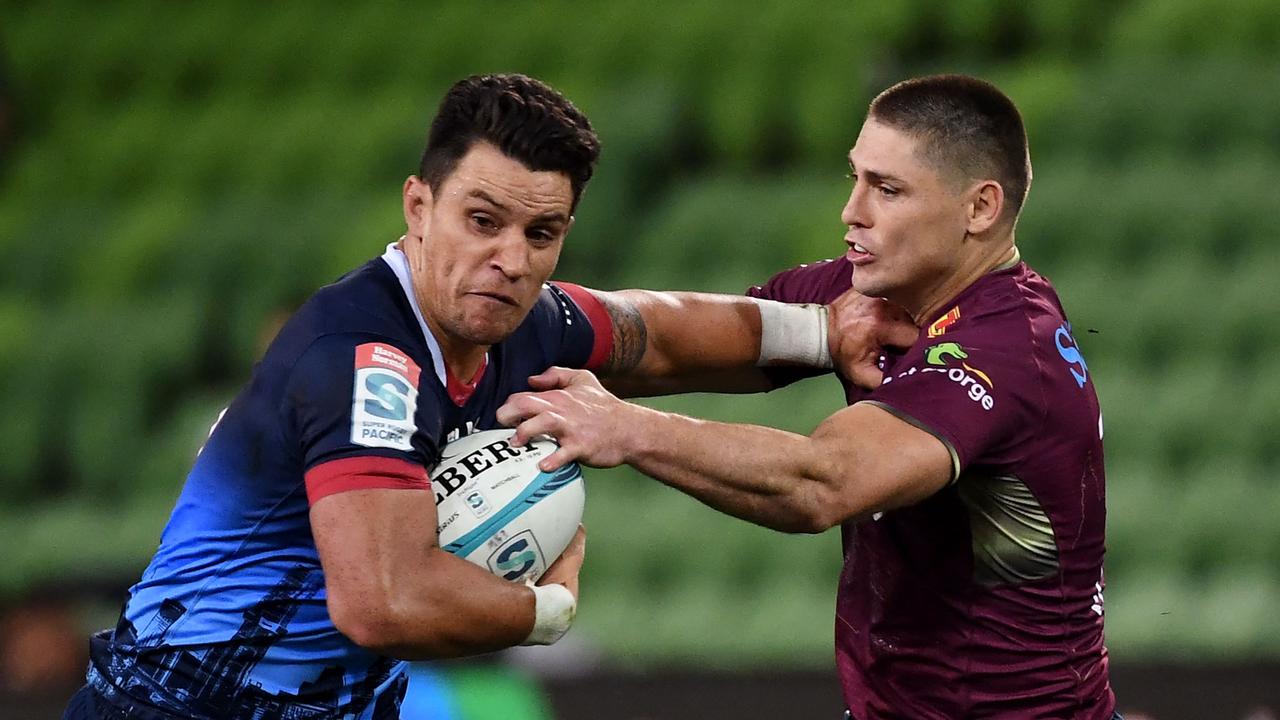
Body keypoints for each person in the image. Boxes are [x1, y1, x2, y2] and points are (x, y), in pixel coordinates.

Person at [63, 74, 902, 720]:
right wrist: (543, 612)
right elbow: (381, 602)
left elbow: (659, 330)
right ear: (418, 207)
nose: (512, 257)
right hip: (177, 703)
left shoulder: (519, 321)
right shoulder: (365, 358)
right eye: (482, 220)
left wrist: (821, 335)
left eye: (542, 233)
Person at [498, 74, 1118, 718]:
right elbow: (672, 339)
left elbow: (823, 483)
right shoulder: (876, 295)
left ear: (980, 209)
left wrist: (626, 428)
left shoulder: (1009, 350)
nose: (853, 211)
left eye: (887, 189)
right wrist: (528, 319)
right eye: (856, 178)